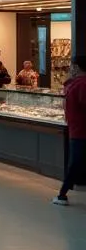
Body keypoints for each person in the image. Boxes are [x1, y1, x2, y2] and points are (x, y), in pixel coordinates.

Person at [53, 55, 86, 206]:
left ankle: (62, 194)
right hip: (77, 128)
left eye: (72, 66)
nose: (70, 68)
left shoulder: (81, 84)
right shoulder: (76, 83)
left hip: (80, 130)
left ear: (77, 67)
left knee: (75, 163)